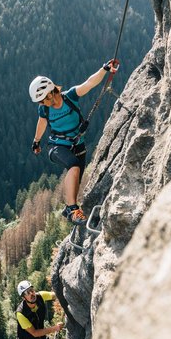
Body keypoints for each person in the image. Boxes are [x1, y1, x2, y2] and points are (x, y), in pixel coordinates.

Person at [29, 60, 119, 223]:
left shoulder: (70, 97)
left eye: (42, 99)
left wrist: (104, 69)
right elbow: (42, 122)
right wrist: (36, 141)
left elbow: (89, 83)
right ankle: (72, 210)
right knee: (74, 165)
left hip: (78, 145)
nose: (41, 103)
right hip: (56, 146)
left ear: (50, 93)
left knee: (76, 177)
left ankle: (69, 207)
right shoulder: (44, 109)